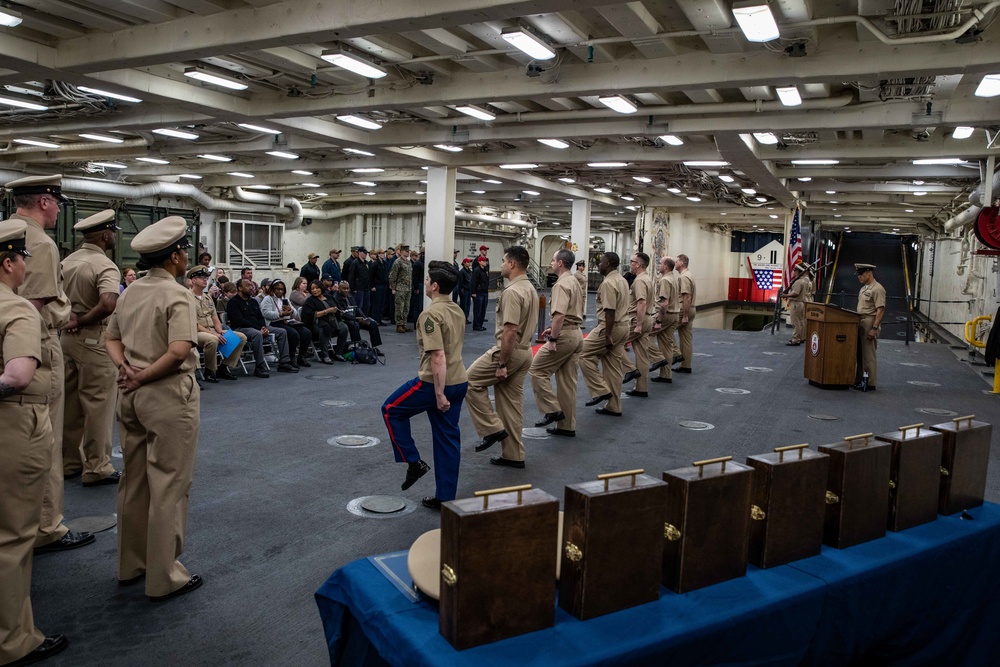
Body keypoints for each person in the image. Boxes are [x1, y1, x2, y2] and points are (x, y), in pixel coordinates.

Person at [104, 216, 203, 602]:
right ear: (176, 256)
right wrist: (144, 376)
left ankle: (131, 564)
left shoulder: (130, 291)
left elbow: (111, 338)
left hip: (129, 395)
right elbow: (179, 350)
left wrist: (127, 370)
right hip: (165, 394)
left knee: (134, 480)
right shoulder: (176, 295)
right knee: (169, 484)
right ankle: (164, 576)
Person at [6, 175, 94, 555]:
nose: (59, 210)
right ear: (44, 202)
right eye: (57, 203)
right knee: (44, 437)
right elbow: (34, 306)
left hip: (6, 343)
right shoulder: (38, 243)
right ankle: (45, 526)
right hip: (35, 344)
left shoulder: (5, 233)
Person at [0, 219, 69, 666]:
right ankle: (14, 640)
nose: (27, 264)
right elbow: (18, 375)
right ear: (8, 262)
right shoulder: (18, 308)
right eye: (21, 257)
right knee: (13, 537)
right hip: (13, 423)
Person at [381, 261, 468, 510]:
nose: (425, 282)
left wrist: (439, 394)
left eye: (428, 279)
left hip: (434, 384)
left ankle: (413, 461)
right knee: (447, 439)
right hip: (459, 380)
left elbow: (438, 355)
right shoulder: (457, 309)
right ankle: (445, 497)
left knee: (390, 409)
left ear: (435, 286)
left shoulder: (430, 314)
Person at [60, 209, 121, 486]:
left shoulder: (67, 261)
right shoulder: (104, 265)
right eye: (113, 232)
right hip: (94, 339)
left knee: (70, 406)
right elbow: (109, 302)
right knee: (98, 405)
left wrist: (70, 320)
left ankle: (69, 462)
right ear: (106, 235)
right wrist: (83, 319)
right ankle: (97, 467)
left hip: (66, 339)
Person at [465, 246, 538, 468]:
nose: (502, 265)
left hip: (510, 352)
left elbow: (510, 331)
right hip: (526, 352)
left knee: (469, 382)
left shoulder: (513, 292)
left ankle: (492, 429)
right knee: (511, 405)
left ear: (513, 264)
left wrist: (502, 363)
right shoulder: (530, 288)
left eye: (504, 261)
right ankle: (513, 455)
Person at [529, 248, 583, 437]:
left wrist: (553, 338)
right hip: (575, 333)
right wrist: (554, 328)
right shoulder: (574, 281)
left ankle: (552, 409)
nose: (551, 263)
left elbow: (559, 315)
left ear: (560, 263)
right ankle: (567, 426)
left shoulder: (561, 284)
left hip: (565, 336)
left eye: (552, 260)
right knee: (567, 382)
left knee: (537, 370)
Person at [578, 251, 630, 416]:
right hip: (624, 326)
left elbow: (609, 312)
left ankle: (600, 390)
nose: (598, 264)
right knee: (612, 366)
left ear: (607, 264)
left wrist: (607, 335)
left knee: (583, 353)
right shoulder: (622, 280)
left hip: (610, 327)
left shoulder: (608, 283)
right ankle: (614, 406)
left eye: (600, 262)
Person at [226, 278, 296, 378]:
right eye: (248, 286)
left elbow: (260, 317)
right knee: (257, 334)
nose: (251, 288)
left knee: (282, 331)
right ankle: (259, 366)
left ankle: (284, 362)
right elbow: (239, 320)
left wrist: (263, 327)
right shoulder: (233, 302)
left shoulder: (253, 302)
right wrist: (259, 329)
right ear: (240, 288)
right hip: (241, 329)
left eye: (251, 285)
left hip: (257, 328)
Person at [188, 266, 245, 382]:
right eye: (201, 277)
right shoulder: (187, 297)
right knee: (212, 340)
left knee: (241, 337)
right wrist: (214, 334)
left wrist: (219, 331)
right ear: (193, 280)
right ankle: (210, 370)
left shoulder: (207, 298)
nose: (205, 280)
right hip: (197, 331)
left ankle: (223, 367)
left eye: (206, 278)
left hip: (212, 330)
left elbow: (215, 318)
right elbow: (194, 323)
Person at [620, 252, 655, 397]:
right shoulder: (647, 278)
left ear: (638, 264)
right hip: (647, 318)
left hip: (637, 319)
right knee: (641, 354)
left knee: (614, 344)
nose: (630, 264)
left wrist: (638, 324)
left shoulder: (640, 281)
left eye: (632, 261)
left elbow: (641, 302)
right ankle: (641, 387)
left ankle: (629, 369)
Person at [261, 279, 313, 368]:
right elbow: (266, 314)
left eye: (281, 289)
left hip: (287, 321)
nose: (279, 291)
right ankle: (291, 357)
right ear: (273, 289)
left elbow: (295, 313)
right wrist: (280, 314)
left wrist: (291, 310)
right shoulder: (268, 299)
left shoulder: (285, 299)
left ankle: (301, 356)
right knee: (293, 334)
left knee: (306, 332)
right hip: (274, 322)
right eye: (277, 289)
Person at [853, 263, 885, 391]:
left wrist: (874, 328)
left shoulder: (877, 289)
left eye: (861, 274)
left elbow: (880, 310)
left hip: (869, 322)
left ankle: (870, 382)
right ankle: (860, 379)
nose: (859, 277)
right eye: (858, 275)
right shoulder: (864, 288)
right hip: (861, 321)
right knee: (860, 354)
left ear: (869, 273)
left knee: (868, 355)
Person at [299, 281, 347, 363]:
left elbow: (337, 307)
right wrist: (327, 311)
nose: (315, 290)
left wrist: (339, 311)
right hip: (318, 323)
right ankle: (325, 355)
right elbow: (310, 315)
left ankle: (338, 352)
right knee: (325, 328)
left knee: (344, 327)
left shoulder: (329, 297)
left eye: (317, 288)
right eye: (312, 289)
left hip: (333, 320)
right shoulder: (310, 301)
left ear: (321, 288)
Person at [649, 256, 680, 384]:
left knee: (644, 336)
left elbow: (664, 303)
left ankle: (657, 359)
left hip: (665, 315)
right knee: (666, 344)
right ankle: (666, 375)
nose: (658, 265)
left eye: (660, 263)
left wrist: (658, 321)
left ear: (666, 266)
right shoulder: (673, 278)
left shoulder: (665, 280)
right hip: (675, 314)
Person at [331, 281, 383, 349]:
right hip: (344, 320)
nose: (346, 290)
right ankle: (358, 347)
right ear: (339, 288)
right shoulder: (335, 298)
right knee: (354, 325)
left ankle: (375, 347)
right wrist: (357, 319)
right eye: (344, 288)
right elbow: (342, 314)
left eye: (347, 289)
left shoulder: (349, 296)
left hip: (355, 318)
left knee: (373, 323)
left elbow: (357, 309)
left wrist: (364, 318)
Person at [675, 253, 696, 374]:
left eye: (677, 261)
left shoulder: (683, 277)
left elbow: (687, 297)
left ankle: (675, 355)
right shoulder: (689, 275)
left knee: (665, 332)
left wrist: (685, 315)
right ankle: (686, 365)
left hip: (684, 309)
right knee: (686, 339)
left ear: (682, 263)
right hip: (691, 308)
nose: (675, 263)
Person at [782, 263, 810, 346]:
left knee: (796, 323)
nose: (793, 271)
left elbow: (795, 293)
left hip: (796, 304)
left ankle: (795, 339)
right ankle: (800, 337)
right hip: (800, 303)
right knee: (800, 322)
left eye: (795, 270)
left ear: (798, 272)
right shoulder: (803, 281)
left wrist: (786, 295)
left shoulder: (798, 282)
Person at [389, 244, 413, 333]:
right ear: (402, 251)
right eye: (406, 251)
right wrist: (393, 287)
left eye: (408, 251)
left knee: (406, 307)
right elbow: (392, 275)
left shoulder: (408, 262)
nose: (408, 253)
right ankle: (399, 324)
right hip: (400, 287)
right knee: (400, 306)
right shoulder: (397, 262)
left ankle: (404, 324)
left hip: (408, 288)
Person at [347, 246, 373, 317]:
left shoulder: (366, 263)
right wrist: (353, 288)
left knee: (366, 305)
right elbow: (351, 276)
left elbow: (369, 276)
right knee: (359, 305)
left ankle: (365, 318)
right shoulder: (355, 263)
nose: (365, 254)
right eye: (364, 253)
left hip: (366, 287)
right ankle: (359, 320)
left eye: (366, 253)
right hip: (358, 288)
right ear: (360, 253)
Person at [370, 248, 390, 324]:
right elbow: (371, 275)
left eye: (383, 253)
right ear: (378, 254)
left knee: (382, 303)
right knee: (376, 304)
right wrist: (372, 286)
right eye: (381, 253)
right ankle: (375, 319)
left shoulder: (384, 263)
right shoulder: (375, 264)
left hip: (383, 285)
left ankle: (379, 319)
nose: (383, 254)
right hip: (377, 285)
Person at [471, 255, 490, 330]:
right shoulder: (476, 270)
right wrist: (473, 292)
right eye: (484, 261)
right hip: (478, 292)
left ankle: (480, 324)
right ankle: (476, 325)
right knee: (477, 310)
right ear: (479, 262)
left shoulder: (485, 270)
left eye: (485, 261)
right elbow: (473, 282)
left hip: (485, 292)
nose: (485, 262)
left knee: (483, 310)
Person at [409, 249, 424, 324]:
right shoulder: (417, 264)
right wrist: (416, 288)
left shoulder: (421, 263)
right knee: (418, 306)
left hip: (422, 285)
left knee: (420, 306)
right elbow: (415, 277)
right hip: (419, 285)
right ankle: (416, 322)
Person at [458, 258, 473, 323]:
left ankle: (466, 317)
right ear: (464, 263)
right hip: (464, 290)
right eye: (468, 262)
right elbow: (460, 282)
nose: (469, 263)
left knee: (467, 305)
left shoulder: (469, 271)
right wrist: (461, 290)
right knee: (463, 305)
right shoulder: (462, 272)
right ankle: (462, 318)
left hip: (468, 290)